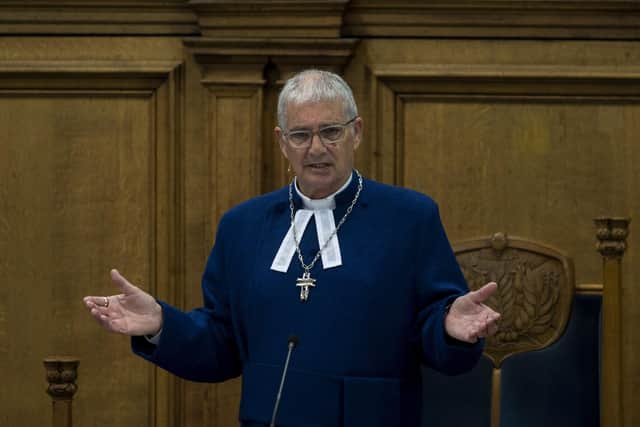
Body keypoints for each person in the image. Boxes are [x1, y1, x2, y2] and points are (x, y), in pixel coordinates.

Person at [84, 69, 500, 427]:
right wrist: (161, 325)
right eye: (301, 135)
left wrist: (451, 329)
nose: (316, 148)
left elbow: (438, 341)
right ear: (283, 142)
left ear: (356, 132)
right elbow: (221, 345)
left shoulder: (410, 217)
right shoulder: (243, 226)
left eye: (331, 132)